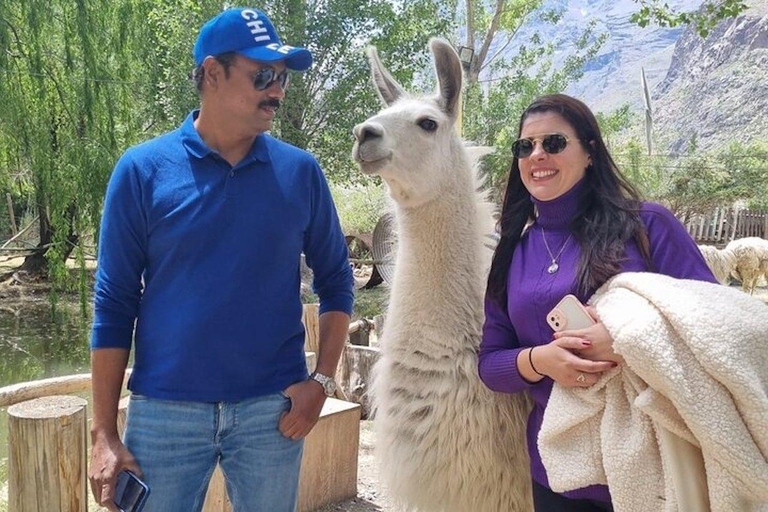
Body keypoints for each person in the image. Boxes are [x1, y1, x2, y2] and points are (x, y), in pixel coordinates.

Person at [87, 8, 354, 512]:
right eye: (263, 75)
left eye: (283, 78)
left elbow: (337, 281)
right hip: (164, 414)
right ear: (212, 73)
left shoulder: (300, 173)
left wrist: (320, 382)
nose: (276, 89)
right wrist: (103, 432)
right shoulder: (142, 171)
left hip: (272, 413)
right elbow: (114, 304)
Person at [478, 94, 716, 512]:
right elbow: (491, 362)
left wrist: (625, 339)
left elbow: (714, 322)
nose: (537, 155)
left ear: (589, 151)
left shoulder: (647, 226)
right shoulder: (513, 252)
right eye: (525, 146)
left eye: (552, 143)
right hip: (558, 471)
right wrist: (540, 360)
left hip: (656, 466)